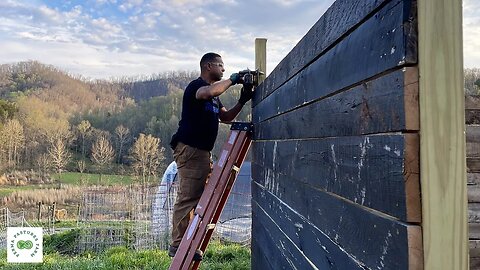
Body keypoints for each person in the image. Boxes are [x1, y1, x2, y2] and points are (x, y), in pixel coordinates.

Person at [168, 52, 253, 260]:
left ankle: (190, 241)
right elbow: (209, 92)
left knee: (198, 198)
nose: (223, 69)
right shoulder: (196, 87)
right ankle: (178, 245)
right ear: (208, 66)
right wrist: (234, 79)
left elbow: (224, 117)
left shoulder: (214, 97)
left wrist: (242, 100)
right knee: (188, 197)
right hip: (190, 150)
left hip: (201, 152)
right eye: (220, 66)